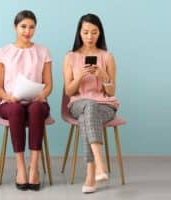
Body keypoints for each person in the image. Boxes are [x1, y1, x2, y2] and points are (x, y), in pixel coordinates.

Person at [0, 10, 52, 191]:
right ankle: (20, 168)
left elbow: (49, 84)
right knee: (15, 110)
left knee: (35, 109)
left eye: (31, 27)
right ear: (15, 27)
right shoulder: (3, 52)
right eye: (23, 27)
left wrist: (42, 95)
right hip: (10, 102)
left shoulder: (43, 51)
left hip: (37, 101)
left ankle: (33, 167)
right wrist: (8, 97)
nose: (27, 31)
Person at [62, 13, 119, 194]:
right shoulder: (70, 57)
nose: (89, 37)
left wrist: (103, 76)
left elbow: (111, 92)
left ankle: (91, 174)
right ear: (79, 33)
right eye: (86, 32)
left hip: (105, 105)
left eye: (94, 32)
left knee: (90, 113)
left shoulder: (107, 57)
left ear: (100, 33)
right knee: (89, 107)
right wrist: (80, 76)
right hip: (78, 103)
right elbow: (70, 91)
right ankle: (100, 165)